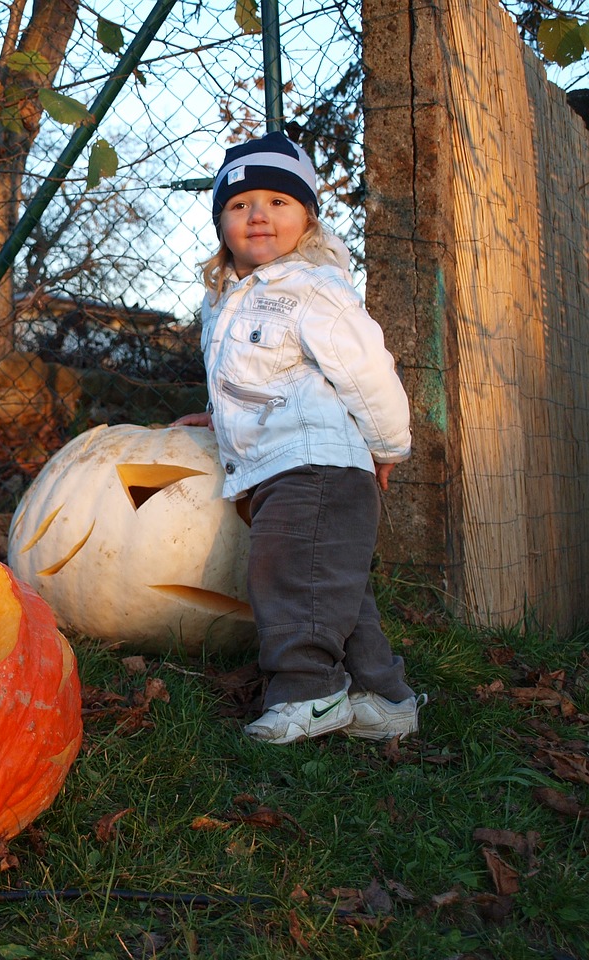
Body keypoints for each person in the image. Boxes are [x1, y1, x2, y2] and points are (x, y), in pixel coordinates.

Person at [173, 130, 425, 745]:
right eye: (239, 205)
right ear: (221, 223)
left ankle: (308, 693)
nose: (257, 214)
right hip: (277, 466)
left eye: (277, 202)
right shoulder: (224, 300)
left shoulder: (315, 290)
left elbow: (370, 373)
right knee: (330, 585)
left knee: (289, 579)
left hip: (318, 466)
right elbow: (242, 378)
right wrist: (217, 415)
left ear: (307, 217)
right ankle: (383, 698)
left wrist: (389, 446)